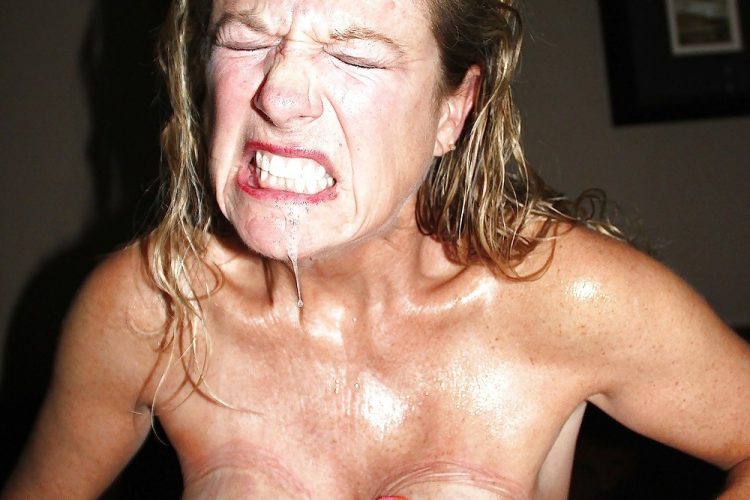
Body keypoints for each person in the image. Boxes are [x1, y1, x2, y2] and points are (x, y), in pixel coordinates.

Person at [3, 0, 749, 498]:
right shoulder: (151, 309)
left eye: (356, 56)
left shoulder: (569, 299)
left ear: (454, 110)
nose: (279, 95)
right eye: (245, 38)